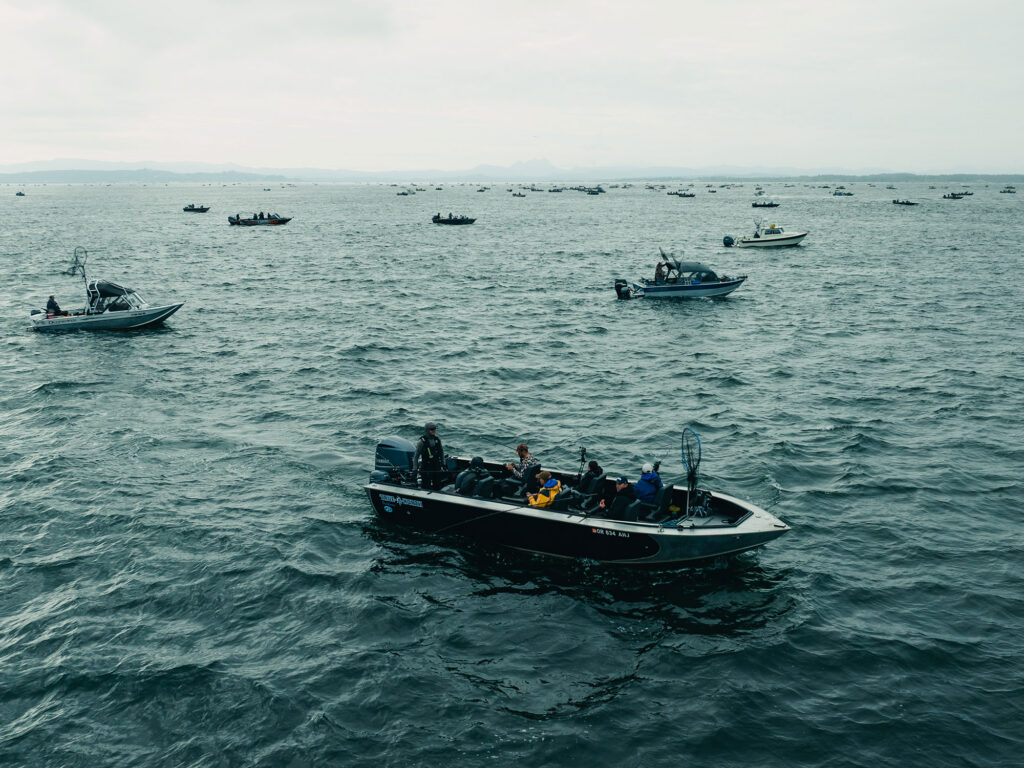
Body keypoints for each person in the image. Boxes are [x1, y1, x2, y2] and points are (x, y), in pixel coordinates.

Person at [413, 422, 445, 490]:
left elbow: (441, 453)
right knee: (426, 486)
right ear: (427, 430)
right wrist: (415, 468)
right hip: (426, 467)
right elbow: (416, 456)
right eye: (432, 429)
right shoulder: (421, 442)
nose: (434, 430)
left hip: (436, 466)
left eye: (435, 429)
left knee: (437, 485)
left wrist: (443, 463)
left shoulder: (437, 440)